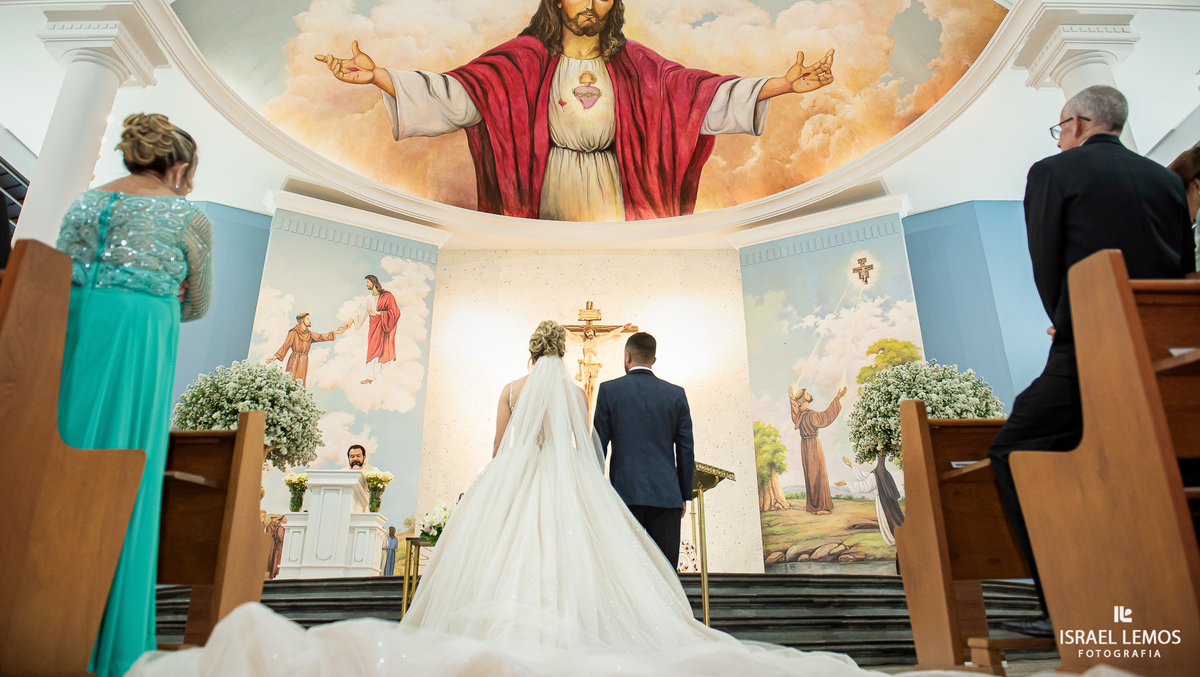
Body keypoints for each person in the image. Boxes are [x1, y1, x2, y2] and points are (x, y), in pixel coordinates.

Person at [128, 321, 890, 676]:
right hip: (580, 486)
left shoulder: (511, 387)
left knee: (505, 560)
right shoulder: (578, 388)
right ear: (566, 350)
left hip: (518, 486)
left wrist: (498, 481)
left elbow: (500, 449)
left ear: (529, 350)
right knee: (579, 558)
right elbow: (587, 447)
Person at [316, 0, 835, 222]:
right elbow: (458, 95)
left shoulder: (636, 66)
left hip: (615, 182)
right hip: (549, 182)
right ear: (559, 0)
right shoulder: (523, 60)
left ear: (612, 6)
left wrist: (783, 85)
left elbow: (699, 96)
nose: (592, 2)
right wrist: (379, 75)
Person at [988, 85, 1195, 639]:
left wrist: (1065, 321)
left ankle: (1066, 603)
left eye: (1060, 127)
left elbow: (1046, 261)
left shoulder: (1054, 172)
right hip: (1156, 351)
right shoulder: (1167, 182)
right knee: (1163, 455)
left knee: (1013, 450)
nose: (1060, 137)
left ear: (1077, 123)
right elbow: (1182, 269)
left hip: (1088, 346)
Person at [56, 112, 213, 677]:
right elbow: (197, 306)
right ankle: (112, 638)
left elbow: (59, 275)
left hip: (75, 331)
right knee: (130, 471)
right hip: (143, 336)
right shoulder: (187, 217)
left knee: (61, 454)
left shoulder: (84, 203)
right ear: (181, 166)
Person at [593, 331, 694, 569]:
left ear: (627, 356)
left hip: (624, 495)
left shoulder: (609, 390)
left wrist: (595, 489)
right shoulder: (675, 394)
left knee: (628, 572)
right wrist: (683, 494)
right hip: (667, 497)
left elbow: (598, 445)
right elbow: (686, 448)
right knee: (666, 572)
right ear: (654, 360)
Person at [788, 384, 848, 515]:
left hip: (805, 446)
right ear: (803, 399)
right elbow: (825, 417)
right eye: (807, 393)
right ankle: (819, 507)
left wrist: (791, 398)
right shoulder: (810, 415)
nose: (810, 394)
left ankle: (815, 506)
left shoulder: (800, 415)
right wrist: (837, 399)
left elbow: (794, 412)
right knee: (817, 474)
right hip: (814, 445)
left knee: (812, 474)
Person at [266, 312, 350, 386]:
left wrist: (335, 332)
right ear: (302, 321)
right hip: (294, 360)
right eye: (307, 319)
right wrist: (275, 357)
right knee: (291, 379)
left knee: (301, 381)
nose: (310, 321)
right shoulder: (293, 332)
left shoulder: (309, 334)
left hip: (304, 360)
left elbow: (320, 337)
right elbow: (286, 345)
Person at [346, 274, 399, 384]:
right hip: (374, 328)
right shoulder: (369, 298)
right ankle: (370, 376)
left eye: (367, 282)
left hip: (385, 328)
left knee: (384, 350)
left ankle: (383, 377)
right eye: (366, 282)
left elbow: (395, 312)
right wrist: (350, 322)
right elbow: (360, 311)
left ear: (374, 282)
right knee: (372, 349)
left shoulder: (387, 296)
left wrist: (379, 313)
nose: (366, 284)